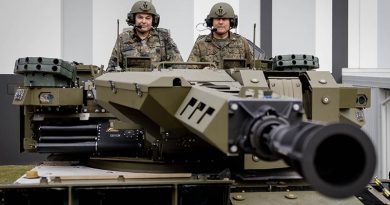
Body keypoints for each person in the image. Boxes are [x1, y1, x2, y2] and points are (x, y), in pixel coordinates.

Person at [107, 1, 183, 70]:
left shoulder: (164, 37)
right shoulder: (123, 38)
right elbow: (112, 68)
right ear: (133, 19)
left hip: (157, 83)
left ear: (154, 20)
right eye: (140, 17)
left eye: (148, 18)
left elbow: (179, 67)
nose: (144, 21)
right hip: (130, 83)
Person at [187, 2, 253, 69]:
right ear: (211, 22)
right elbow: (189, 70)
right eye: (217, 19)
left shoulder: (242, 43)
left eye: (224, 19)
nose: (220, 22)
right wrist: (203, 72)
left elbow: (254, 68)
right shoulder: (200, 44)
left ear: (232, 22)